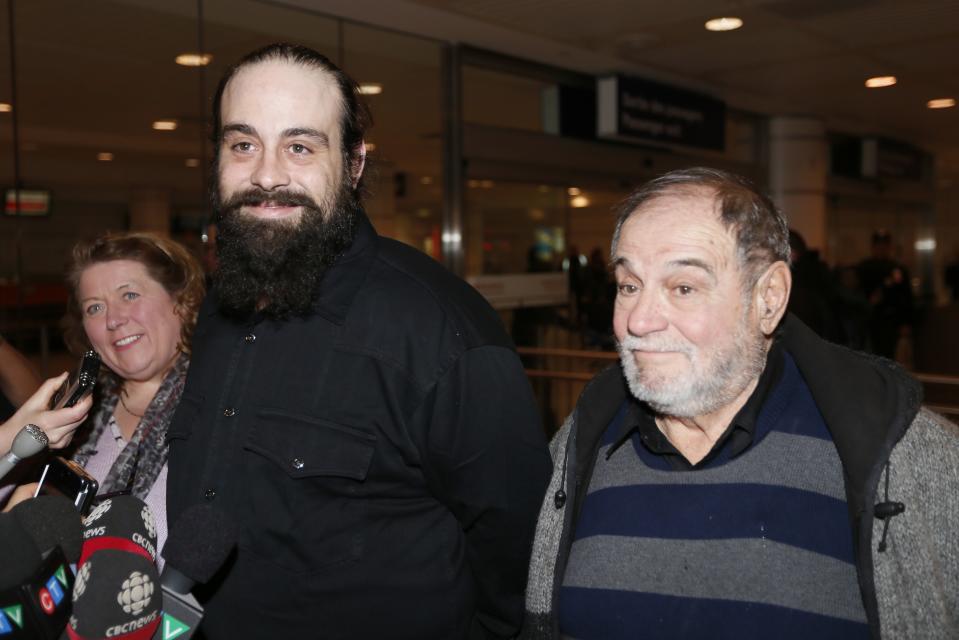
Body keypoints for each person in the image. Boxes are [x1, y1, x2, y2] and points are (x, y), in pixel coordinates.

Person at [166, 43, 551, 639]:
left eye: (299, 146)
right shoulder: (222, 305)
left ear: (352, 165)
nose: (266, 174)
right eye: (243, 144)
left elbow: (518, 562)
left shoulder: (442, 332)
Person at [523, 168, 959, 639]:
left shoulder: (906, 458)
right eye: (629, 286)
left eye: (683, 288)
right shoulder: (577, 447)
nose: (639, 320)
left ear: (768, 298)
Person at [8, 233, 205, 552]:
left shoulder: (219, 408)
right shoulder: (77, 412)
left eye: (129, 295)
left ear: (180, 301)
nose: (113, 320)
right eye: (95, 307)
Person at [856, 229, 914, 359]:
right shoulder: (864, 268)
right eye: (878, 245)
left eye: (884, 245)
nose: (881, 248)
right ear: (873, 247)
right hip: (870, 319)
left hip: (891, 320)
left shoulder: (898, 269)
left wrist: (905, 322)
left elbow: (906, 297)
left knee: (889, 355)